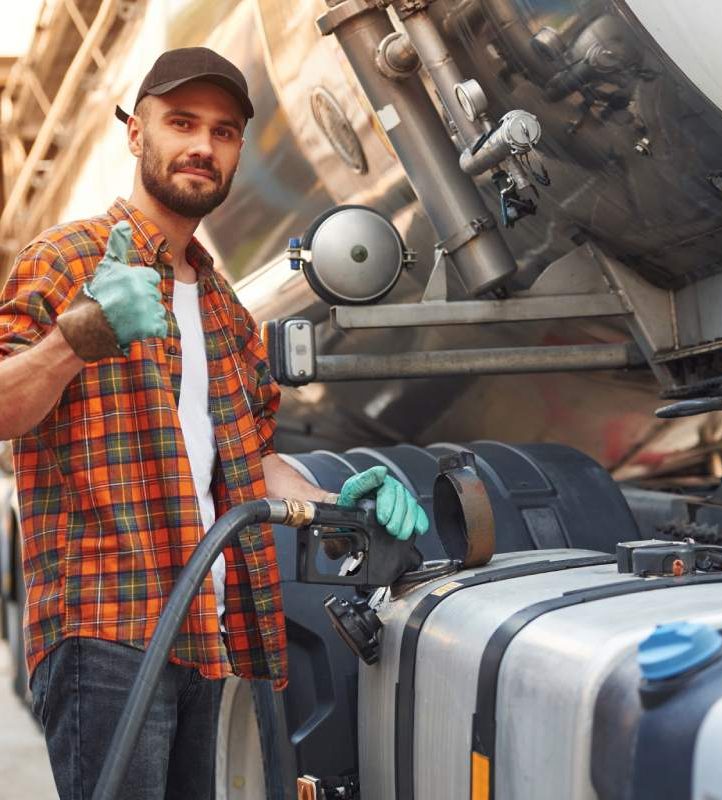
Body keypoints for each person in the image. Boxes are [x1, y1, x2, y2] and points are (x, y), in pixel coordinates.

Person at [0, 47, 428, 800]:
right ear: (135, 134)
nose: (203, 145)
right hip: (107, 633)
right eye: (181, 122)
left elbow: (247, 465)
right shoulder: (67, 259)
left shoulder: (228, 309)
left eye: (224, 132)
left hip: (220, 632)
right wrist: (78, 335)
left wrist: (336, 506)